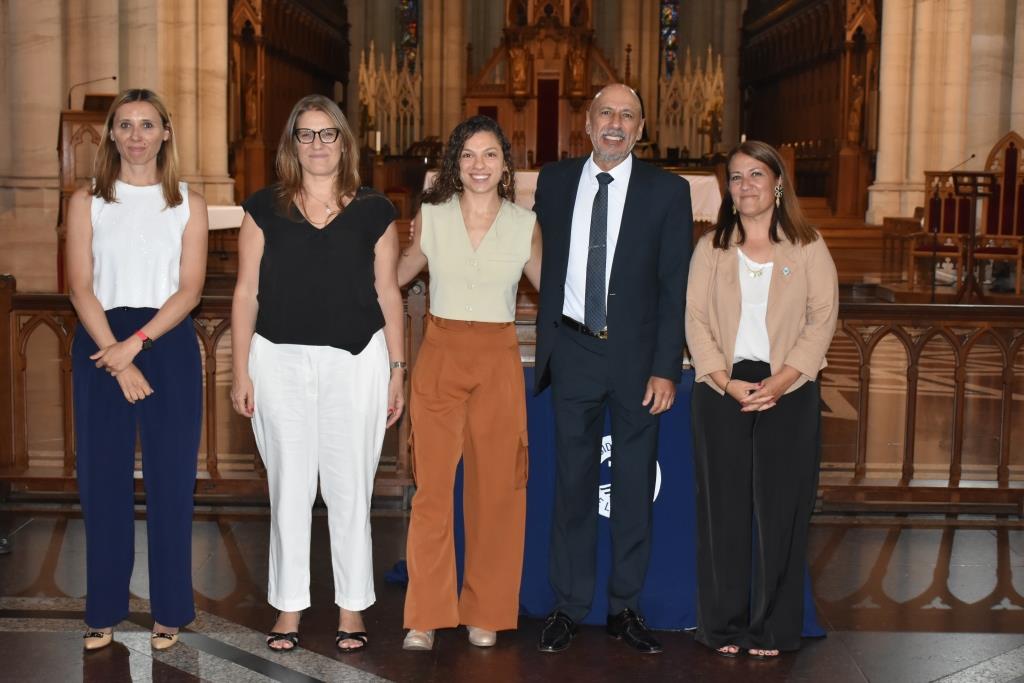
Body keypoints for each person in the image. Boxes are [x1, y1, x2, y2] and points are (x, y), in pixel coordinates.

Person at [230, 94, 405, 654]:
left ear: (344, 142)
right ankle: (289, 608)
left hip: (356, 362)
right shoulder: (262, 208)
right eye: (306, 135)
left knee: (350, 486)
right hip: (277, 360)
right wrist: (239, 370)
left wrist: (398, 371)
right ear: (292, 145)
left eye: (328, 134)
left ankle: (352, 607)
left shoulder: (376, 211)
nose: (317, 145)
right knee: (290, 487)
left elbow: (389, 293)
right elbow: (245, 292)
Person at [532, 83, 692, 654]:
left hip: (637, 361)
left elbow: (676, 287)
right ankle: (569, 607)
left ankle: (625, 607)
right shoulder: (552, 182)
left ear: (642, 128)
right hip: (572, 351)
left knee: (632, 487)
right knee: (571, 485)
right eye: (606, 113)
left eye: (627, 115)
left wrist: (666, 368)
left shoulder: (668, 192)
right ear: (587, 122)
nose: (616, 124)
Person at [66, 88, 208, 652]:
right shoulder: (88, 201)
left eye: (147, 125)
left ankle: (170, 609)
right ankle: (102, 608)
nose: (136, 136)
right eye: (125, 125)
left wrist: (137, 345)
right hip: (101, 342)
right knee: (102, 482)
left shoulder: (187, 203)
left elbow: (191, 289)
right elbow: (79, 286)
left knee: (171, 482)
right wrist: (116, 354)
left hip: (166, 341)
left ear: (165, 133)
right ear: (111, 135)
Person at [685, 140, 838, 659]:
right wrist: (724, 380)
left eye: (756, 175)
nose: (745, 185)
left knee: (781, 512)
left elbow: (823, 319)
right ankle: (724, 626)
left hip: (788, 387)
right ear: (726, 189)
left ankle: (772, 628)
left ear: (777, 182)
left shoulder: (808, 244)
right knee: (722, 510)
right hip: (721, 387)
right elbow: (695, 321)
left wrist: (785, 379)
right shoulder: (711, 247)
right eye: (735, 177)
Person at [396, 115, 542, 651]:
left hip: (497, 359)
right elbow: (401, 273)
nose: (478, 165)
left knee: (496, 492)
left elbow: (555, 291)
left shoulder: (524, 223)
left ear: (506, 164)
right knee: (432, 490)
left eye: (489, 155)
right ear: (455, 164)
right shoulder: (431, 218)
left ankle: (486, 610)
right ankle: (426, 615)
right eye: (468, 155)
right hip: (441, 353)